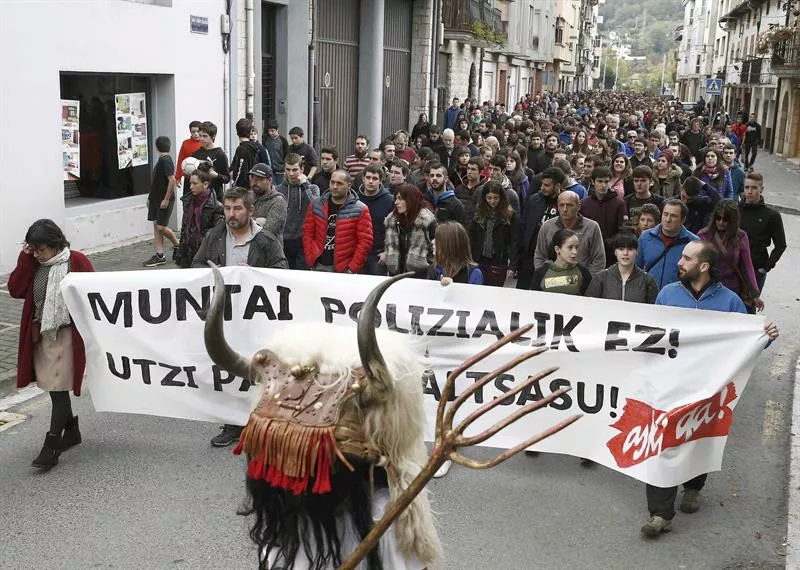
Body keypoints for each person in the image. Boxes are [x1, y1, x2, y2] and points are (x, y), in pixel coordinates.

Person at [641, 240, 780, 538]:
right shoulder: (667, 294)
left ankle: (693, 486)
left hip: (707, 387)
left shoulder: (730, 302)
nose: (680, 262)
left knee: (698, 437)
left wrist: (766, 335)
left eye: (687, 258)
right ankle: (660, 513)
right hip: (669, 385)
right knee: (663, 443)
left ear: (703, 266)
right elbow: (651, 336)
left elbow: (746, 337)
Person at [191, 187, 288, 447]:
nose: (231, 214)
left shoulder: (266, 240)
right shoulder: (215, 235)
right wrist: (217, 274)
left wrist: (255, 273)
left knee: (257, 368)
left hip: (256, 319)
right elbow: (197, 265)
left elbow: (282, 270)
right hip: (227, 318)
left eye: (237, 209)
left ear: (251, 210)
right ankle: (233, 424)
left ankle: (262, 421)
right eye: (227, 208)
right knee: (229, 371)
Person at [8, 219, 94, 469]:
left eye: (41, 249)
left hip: (66, 336)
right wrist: (25, 259)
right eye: (33, 249)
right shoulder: (33, 263)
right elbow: (15, 289)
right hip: (42, 335)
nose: (37, 254)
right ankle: (72, 431)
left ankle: (52, 445)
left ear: (57, 244)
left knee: (58, 389)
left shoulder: (76, 261)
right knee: (53, 386)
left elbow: (93, 296)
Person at [303, 169, 373, 273]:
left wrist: (352, 268)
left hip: (344, 269)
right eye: (332, 182)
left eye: (339, 183)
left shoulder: (360, 209)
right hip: (318, 265)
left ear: (349, 186)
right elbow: (307, 232)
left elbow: (365, 241)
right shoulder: (316, 204)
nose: (335, 186)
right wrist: (311, 258)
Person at [698, 199, 763, 312]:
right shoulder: (703, 235)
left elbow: (747, 266)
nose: (721, 222)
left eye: (725, 219)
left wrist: (755, 294)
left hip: (731, 288)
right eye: (718, 218)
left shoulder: (741, 236)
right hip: (707, 288)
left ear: (733, 220)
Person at [533, 191, 606, 276]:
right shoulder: (547, 226)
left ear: (578, 206)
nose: (565, 209)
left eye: (569, 205)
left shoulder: (592, 227)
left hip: (582, 282)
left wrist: (587, 281)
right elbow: (539, 256)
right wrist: (544, 277)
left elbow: (599, 259)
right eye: (561, 205)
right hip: (551, 280)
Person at [516, 166, 564, 289]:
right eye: (542, 184)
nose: (542, 188)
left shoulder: (565, 204)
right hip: (529, 259)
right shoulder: (533, 200)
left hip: (553, 262)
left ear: (557, 186)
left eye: (547, 185)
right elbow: (522, 228)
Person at [738, 172, 786, 291]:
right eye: (747, 187)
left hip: (756, 269)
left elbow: (780, 245)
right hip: (733, 267)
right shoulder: (735, 210)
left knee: (749, 306)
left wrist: (765, 267)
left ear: (761, 189)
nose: (749, 191)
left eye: (754, 188)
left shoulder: (772, 215)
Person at [636, 198, 698, 289]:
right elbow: (636, 268)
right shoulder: (645, 237)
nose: (668, 219)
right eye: (665, 214)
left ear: (683, 219)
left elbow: (696, 277)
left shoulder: (693, 243)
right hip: (648, 296)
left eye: (673, 216)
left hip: (677, 298)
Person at [469, 181, 518, 287]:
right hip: (479, 258)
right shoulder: (478, 213)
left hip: (499, 260)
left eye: (496, 198)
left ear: (501, 198)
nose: (492, 201)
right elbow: (471, 236)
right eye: (489, 197)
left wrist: (512, 266)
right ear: (484, 197)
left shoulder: (510, 215)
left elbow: (514, 241)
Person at [586, 233, 659, 303]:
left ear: (637, 252)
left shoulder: (648, 281)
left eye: (630, 249)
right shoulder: (601, 278)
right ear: (615, 252)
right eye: (621, 249)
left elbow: (653, 311)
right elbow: (590, 306)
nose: (625, 253)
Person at [382, 184, 437, 277]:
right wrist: (386, 254)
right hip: (395, 274)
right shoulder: (391, 220)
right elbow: (387, 243)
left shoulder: (427, 220)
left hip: (421, 275)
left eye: (400, 199)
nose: (396, 202)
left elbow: (436, 247)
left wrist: (428, 265)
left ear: (410, 200)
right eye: (396, 198)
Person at [277, 153, 320, 269]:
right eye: (288, 170)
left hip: (303, 239)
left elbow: (317, 208)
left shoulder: (312, 188)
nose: (291, 174)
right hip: (283, 240)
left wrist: (305, 185)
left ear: (302, 169)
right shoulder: (277, 190)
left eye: (295, 170)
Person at [175, 169, 224, 268]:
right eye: (190, 183)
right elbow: (185, 229)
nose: (191, 187)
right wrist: (180, 253)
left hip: (206, 255)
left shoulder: (216, 206)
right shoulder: (188, 201)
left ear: (205, 184)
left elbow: (218, 234)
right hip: (188, 253)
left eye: (195, 183)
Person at [143, 135, 179, 267]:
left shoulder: (166, 160)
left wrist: (166, 199)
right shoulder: (162, 160)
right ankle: (159, 255)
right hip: (155, 199)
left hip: (163, 200)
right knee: (156, 227)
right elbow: (157, 182)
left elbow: (172, 180)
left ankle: (178, 244)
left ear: (156, 147)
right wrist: (150, 198)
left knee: (161, 227)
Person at [580, 165, 627, 266]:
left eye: (606, 182)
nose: (603, 185)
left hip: (611, 255)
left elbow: (624, 230)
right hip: (588, 255)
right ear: (593, 182)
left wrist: (607, 242)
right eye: (600, 181)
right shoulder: (584, 204)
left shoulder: (619, 204)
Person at [357, 164, 395, 275]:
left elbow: (394, 230)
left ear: (380, 181)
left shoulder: (389, 200)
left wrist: (387, 251)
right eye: (368, 178)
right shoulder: (354, 199)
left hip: (378, 255)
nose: (370, 181)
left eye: (374, 178)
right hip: (357, 253)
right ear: (363, 179)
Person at [530, 229, 593, 295]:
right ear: (557, 249)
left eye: (576, 247)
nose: (575, 252)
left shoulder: (583, 273)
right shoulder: (541, 272)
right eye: (570, 247)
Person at [191, 121, 230, 201]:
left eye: (205, 136)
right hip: (197, 198)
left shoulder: (220, 154)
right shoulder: (195, 154)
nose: (201, 138)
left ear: (213, 136)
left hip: (214, 198)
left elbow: (227, 178)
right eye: (200, 135)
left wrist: (216, 175)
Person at [249, 163, 287, 242]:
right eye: (252, 178)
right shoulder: (247, 196)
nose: (255, 182)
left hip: (270, 252)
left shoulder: (278, 201)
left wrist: (246, 221)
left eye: (259, 179)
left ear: (269, 180)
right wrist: (257, 221)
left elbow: (268, 232)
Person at [625, 165, 664, 231]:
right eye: (636, 181)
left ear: (651, 182)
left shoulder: (660, 201)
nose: (639, 184)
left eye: (643, 180)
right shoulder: (626, 201)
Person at [230, 118, 262, 189]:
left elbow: (241, 170)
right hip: (250, 184)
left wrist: (235, 184)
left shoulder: (242, 148)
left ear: (237, 132)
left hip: (243, 188)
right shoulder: (253, 147)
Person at [175, 120, 202, 190]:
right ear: (190, 132)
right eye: (193, 132)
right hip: (188, 177)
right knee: (187, 199)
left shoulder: (205, 143)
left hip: (202, 178)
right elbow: (181, 159)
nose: (196, 134)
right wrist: (178, 177)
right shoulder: (186, 143)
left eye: (198, 131)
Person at [262, 119, 290, 186]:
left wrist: (285, 168)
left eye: (272, 131)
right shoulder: (265, 140)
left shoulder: (283, 140)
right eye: (269, 131)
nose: (270, 133)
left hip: (280, 170)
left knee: (281, 187)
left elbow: (287, 155)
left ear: (277, 130)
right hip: (269, 170)